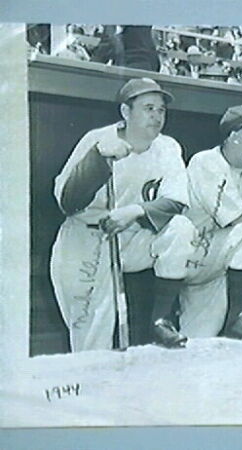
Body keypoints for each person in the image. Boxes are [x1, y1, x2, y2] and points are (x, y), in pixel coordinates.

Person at [51, 78, 196, 351]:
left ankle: (161, 320)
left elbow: (177, 201)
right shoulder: (97, 139)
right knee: (92, 341)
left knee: (180, 228)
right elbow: (67, 202)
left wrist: (134, 211)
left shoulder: (168, 147)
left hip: (132, 236)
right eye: (148, 108)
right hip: (87, 241)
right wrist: (98, 160)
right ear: (125, 112)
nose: (156, 116)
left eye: (161, 110)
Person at [181, 105, 242, 341]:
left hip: (215, 264)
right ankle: (237, 318)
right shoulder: (205, 161)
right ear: (234, 136)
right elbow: (235, 217)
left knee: (197, 342)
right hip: (190, 254)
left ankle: (237, 315)